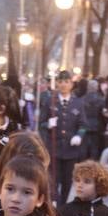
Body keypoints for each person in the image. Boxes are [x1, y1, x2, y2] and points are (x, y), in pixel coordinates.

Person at [40, 70, 86, 201]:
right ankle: (55, 203)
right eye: (60, 82)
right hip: (54, 148)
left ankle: (63, 204)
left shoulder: (78, 103)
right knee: (54, 180)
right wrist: (48, 124)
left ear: (72, 84)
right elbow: (41, 123)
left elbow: (83, 124)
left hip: (71, 149)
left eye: (67, 82)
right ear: (57, 84)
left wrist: (79, 136)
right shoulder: (50, 101)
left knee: (67, 181)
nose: (64, 85)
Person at [81, 77, 107, 161]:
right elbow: (103, 114)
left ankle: (83, 164)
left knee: (84, 147)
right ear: (96, 87)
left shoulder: (83, 99)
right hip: (96, 126)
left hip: (85, 126)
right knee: (94, 148)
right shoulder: (101, 99)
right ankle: (93, 165)